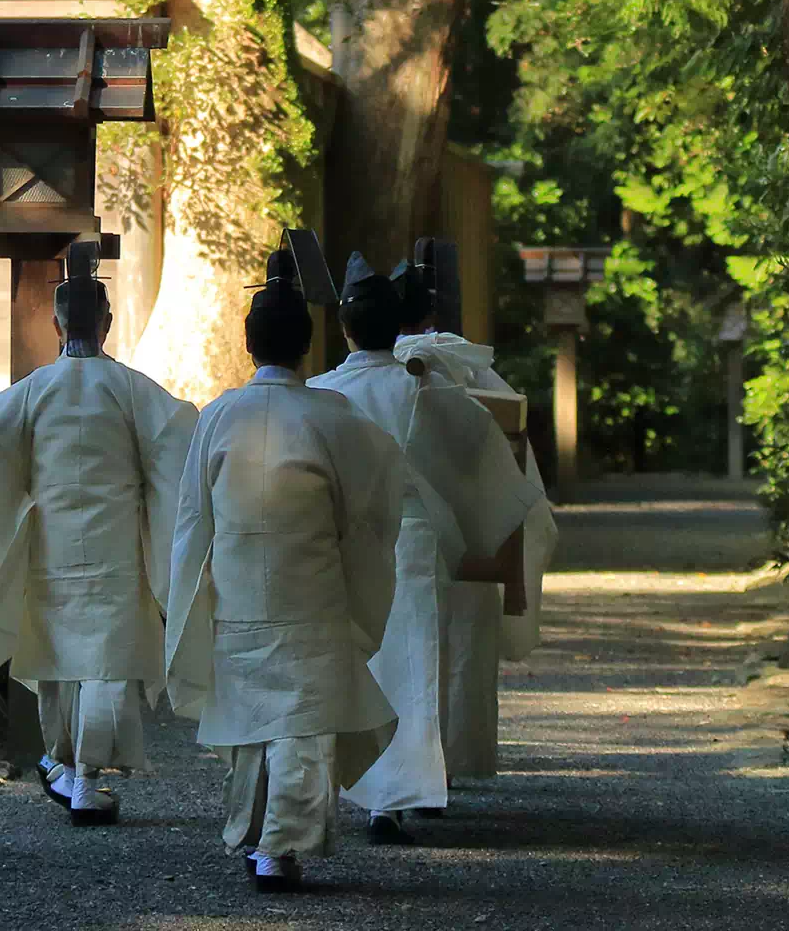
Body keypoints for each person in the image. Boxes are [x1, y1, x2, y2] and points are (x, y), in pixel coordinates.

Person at [0, 241, 198, 826]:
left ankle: (65, 765)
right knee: (104, 666)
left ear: (55, 323)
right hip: (116, 545)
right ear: (107, 323)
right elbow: (181, 434)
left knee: (60, 664)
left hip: (52, 543)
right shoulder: (131, 390)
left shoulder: (33, 392)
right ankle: (84, 778)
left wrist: (17, 486)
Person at [165, 247, 405, 892]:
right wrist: (360, 578)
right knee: (302, 723)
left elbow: (192, 519)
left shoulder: (217, 415)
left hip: (239, 584)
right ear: (307, 346)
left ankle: (262, 840)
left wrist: (189, 591)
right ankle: (280, 846)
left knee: (253, 722)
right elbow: (373, 511)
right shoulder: (334, 415)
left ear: (248, 344)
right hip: (313, 585)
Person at [313, 247, 558, 840]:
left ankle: (347, 788)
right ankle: (397, 794)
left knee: (351, 659)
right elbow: (483, 450)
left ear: (344, 328)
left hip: (341, 545)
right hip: (413, 539)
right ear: (397, 326)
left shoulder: (321, 392)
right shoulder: (424, 386)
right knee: (414, 661)